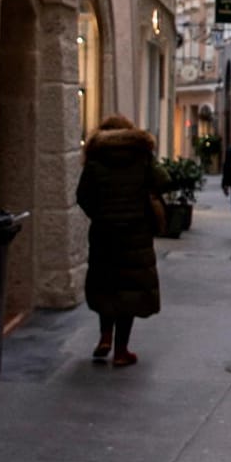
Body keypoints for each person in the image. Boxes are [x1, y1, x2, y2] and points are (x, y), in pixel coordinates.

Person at [75, 114, 164, 367]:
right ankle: (121, 351)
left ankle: (104, 337)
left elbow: (82, 195)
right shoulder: (141, 155)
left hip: (104, 232)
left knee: (107, 284)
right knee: (130, 288)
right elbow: (163, 181)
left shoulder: (95, 159)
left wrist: (100, 214)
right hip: (135, 232)